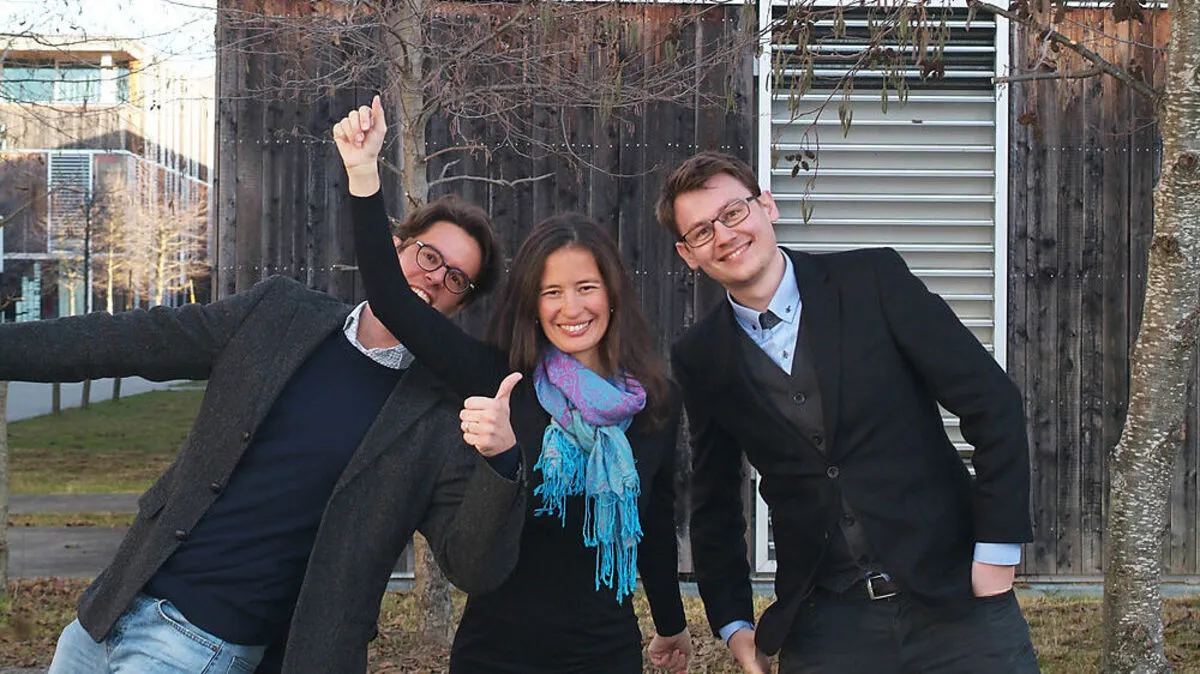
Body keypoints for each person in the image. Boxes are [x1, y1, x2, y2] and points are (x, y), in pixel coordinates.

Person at [3, 188, 527, 673]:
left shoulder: (440, 416)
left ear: (459, 306)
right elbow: (132, 339)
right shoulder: (279, 314)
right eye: (429, 256)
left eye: (456, 279)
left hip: (201, 647)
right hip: (108, 614)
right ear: (393, 249)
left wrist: (502, 460)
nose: (435, 277)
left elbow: (473, 566)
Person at [334, 96, 691, 674]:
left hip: (604, 653)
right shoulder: (499, 380)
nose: (571, 308)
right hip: (496, 654)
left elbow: (654, 523)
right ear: (532, 304)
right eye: (551, 292)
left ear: (612, 293)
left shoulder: (655, 402)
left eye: (586, 288)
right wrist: (362, 174)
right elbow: (394, 302)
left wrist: (671, 626)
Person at [657, 151, 1038, 674]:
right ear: (688, 254)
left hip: (957, 601)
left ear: (767, 205)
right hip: (827, 624)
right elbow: (714, 497)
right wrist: (732, 622)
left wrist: (996, 552)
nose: (724, 235)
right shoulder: (700, 356)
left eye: (733, 212)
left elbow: (992, 402)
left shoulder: (872, 280)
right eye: (702, 231)